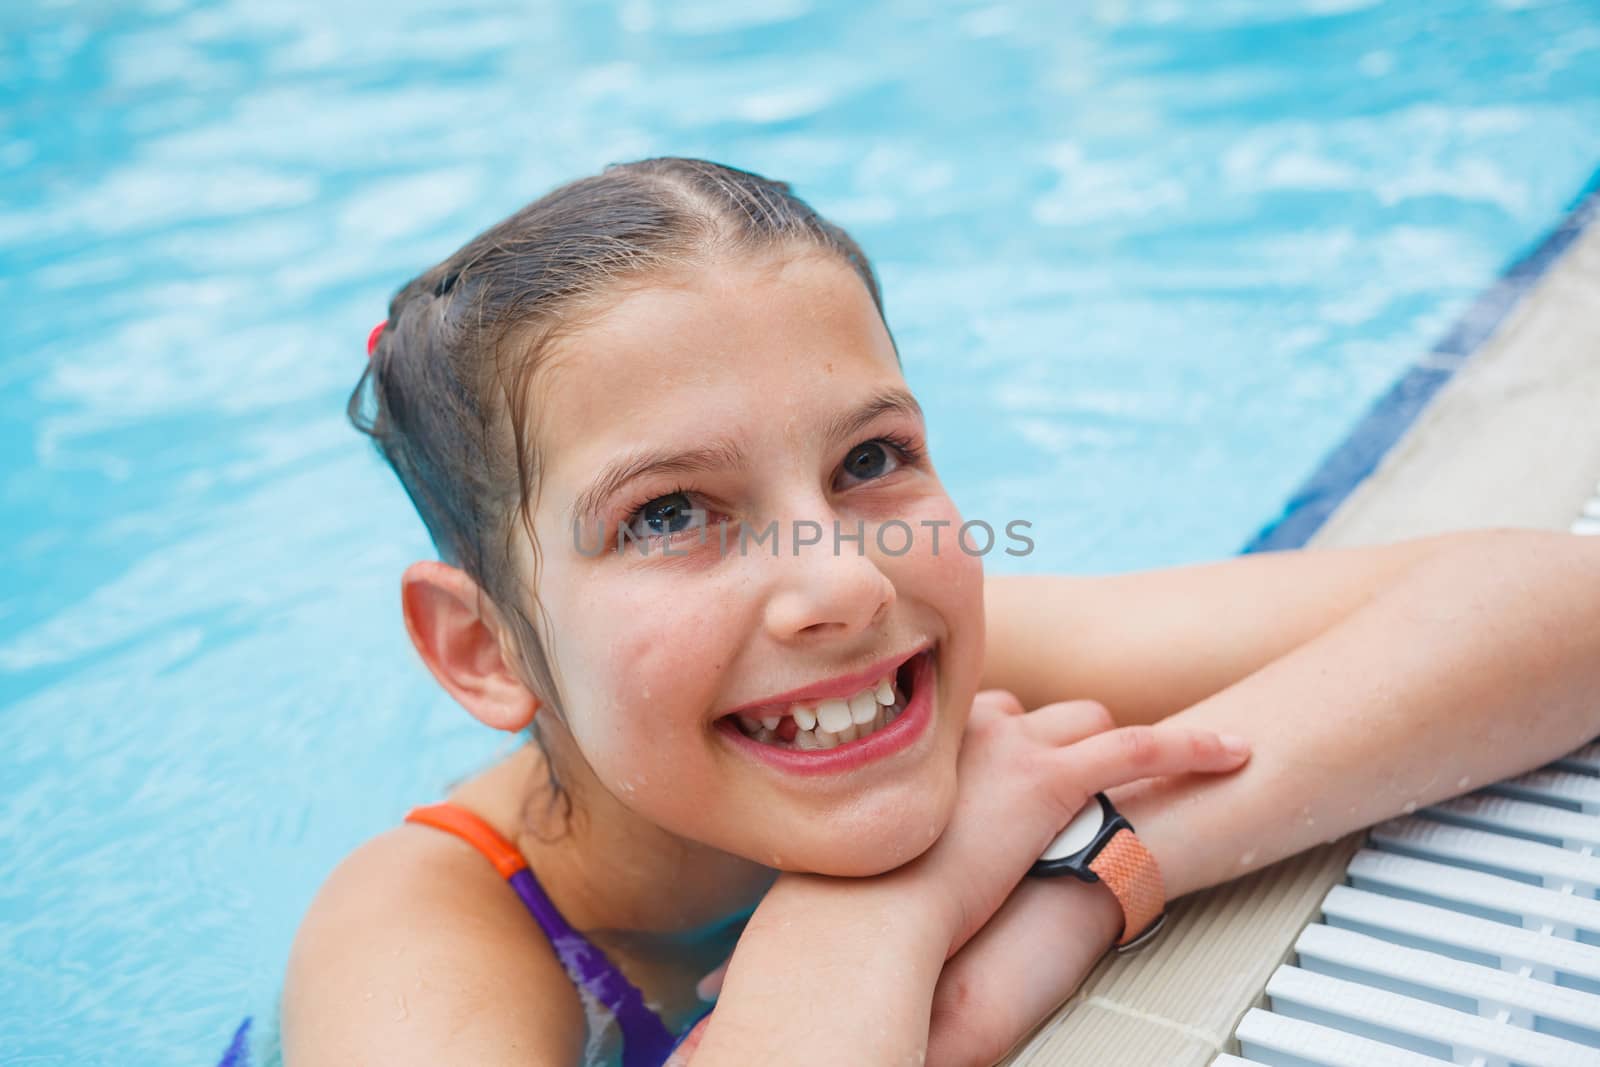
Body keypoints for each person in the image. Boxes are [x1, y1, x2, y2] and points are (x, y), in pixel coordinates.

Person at [280, 157, 1600, 1067]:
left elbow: (1563, 604)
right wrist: (865, 921)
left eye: (869, 461)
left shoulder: (936, 656)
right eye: (671, 514)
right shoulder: (421, 931)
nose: (846, 582)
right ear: (487, 646)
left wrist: (1098, 867)